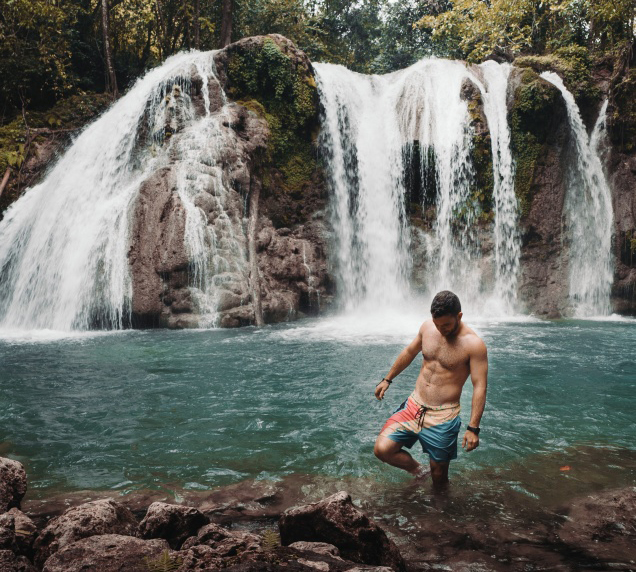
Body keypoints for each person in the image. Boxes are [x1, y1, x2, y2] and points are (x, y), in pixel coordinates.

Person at [373, 290, 488, 489]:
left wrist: (473, 428)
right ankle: (419, 471)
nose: (441, 329)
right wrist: (387, 379)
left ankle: (439, 513)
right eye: (437, 324)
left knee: (439, 475)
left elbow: (480, 386)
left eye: (446, 325)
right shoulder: (428, 328)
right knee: (382, 450)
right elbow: (409, 352)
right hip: (413, 406)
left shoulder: (474, 345)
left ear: (459, 316)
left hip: (443, 416)